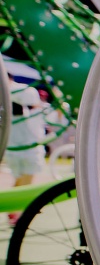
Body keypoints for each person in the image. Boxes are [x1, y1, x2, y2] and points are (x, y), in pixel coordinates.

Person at [6, 75, 46, 225]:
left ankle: (16, 210)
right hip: (25, 144)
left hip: (17, 144)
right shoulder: (21, 91)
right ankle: (19, 210)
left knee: (21, 178)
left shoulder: (14, 93)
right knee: (25, 178)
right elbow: (31, 101)